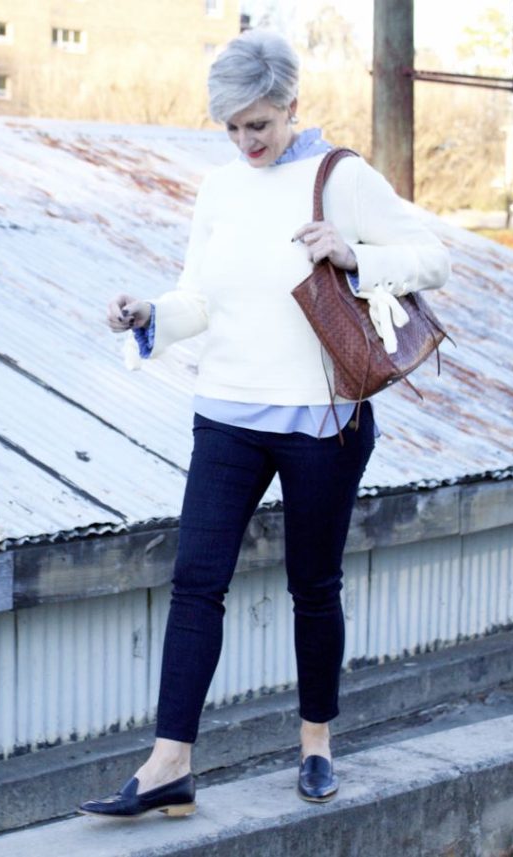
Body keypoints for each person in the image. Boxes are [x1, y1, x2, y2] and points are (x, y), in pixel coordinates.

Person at [78, 29, 450, 818]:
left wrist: (354, 256)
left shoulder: (338, 177)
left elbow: (433, 256)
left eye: (259, 123)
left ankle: (315, 744)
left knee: (311, 586)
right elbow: (201, 301)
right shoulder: (218, 189)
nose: (245, 141)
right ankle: (167, 762)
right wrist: (149, 312)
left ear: (290, 106)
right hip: (225, 415)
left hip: (321, 422)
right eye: (231, 127)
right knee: (194, 582)